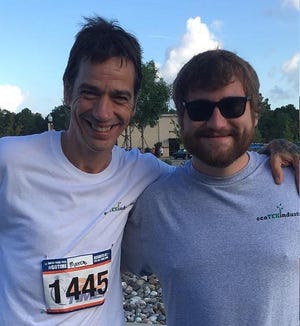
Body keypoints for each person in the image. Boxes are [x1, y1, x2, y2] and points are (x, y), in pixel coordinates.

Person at [0, 16, 297, 325]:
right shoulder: (10, 160)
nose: (103, 113)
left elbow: (220, 173)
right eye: (89, 92)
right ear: (67, 90)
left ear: (133, 104)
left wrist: (281, 147)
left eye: (119, 97)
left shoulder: (144, 175)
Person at [122, 49, 300, 326]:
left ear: (255, 114)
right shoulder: (153, 204)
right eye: (200, 109)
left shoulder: (294, 184)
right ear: (181, 119)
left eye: (232, 107)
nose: (217, 122)